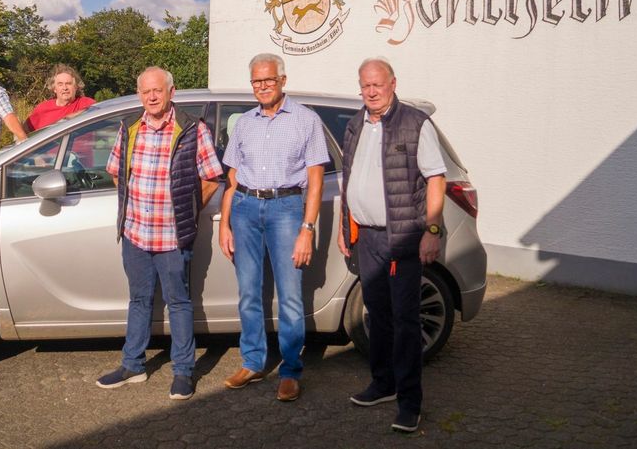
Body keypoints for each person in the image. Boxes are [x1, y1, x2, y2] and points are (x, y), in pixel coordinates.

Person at [96, 66, 223, 401]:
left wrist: (186, 211)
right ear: (140, 94)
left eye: (157, 90)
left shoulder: (193, 129)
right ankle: (132, 365)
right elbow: (116, 172)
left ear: (171, 91)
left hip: (171, 237)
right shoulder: (130, 128)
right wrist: (135, 207)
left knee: (178, 303)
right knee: (138, 301)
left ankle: (183, 371)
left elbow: (211, 178)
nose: (151, 97)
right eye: (145, 91)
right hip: (136, 234)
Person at [337, 57, 446, 434]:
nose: (370, 91)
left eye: (377, 85)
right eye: (364, 85)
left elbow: (435, 178)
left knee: (406, 320)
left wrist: (432, 230)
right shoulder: (354, 125)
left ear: (392, 83)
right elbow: (347, 180)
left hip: (402, 237)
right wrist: (343, 226)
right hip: (366, 237)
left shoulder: (415, 123)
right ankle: (382, 384)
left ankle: (409, 402)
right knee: (377, 315)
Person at [218, 53, 329, 402]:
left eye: (268, 80)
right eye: (256, 81)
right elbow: (231, 179)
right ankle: (252, 361)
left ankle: (291, 370)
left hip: (286, 209)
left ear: (282, 80)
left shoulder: (306, 120)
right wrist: (225, 224)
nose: (262, 86)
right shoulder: (244, 123)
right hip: (246, 208)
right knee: (249, 292)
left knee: (290, 295)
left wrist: (307, 228)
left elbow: (316, 181)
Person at [24, 64, 95, 132]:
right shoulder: (42, 109)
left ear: (76, 87)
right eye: (60, 84)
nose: (65, 88)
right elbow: (24, 130)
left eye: (68, 84)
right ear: (54, 88)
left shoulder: (87, 104)